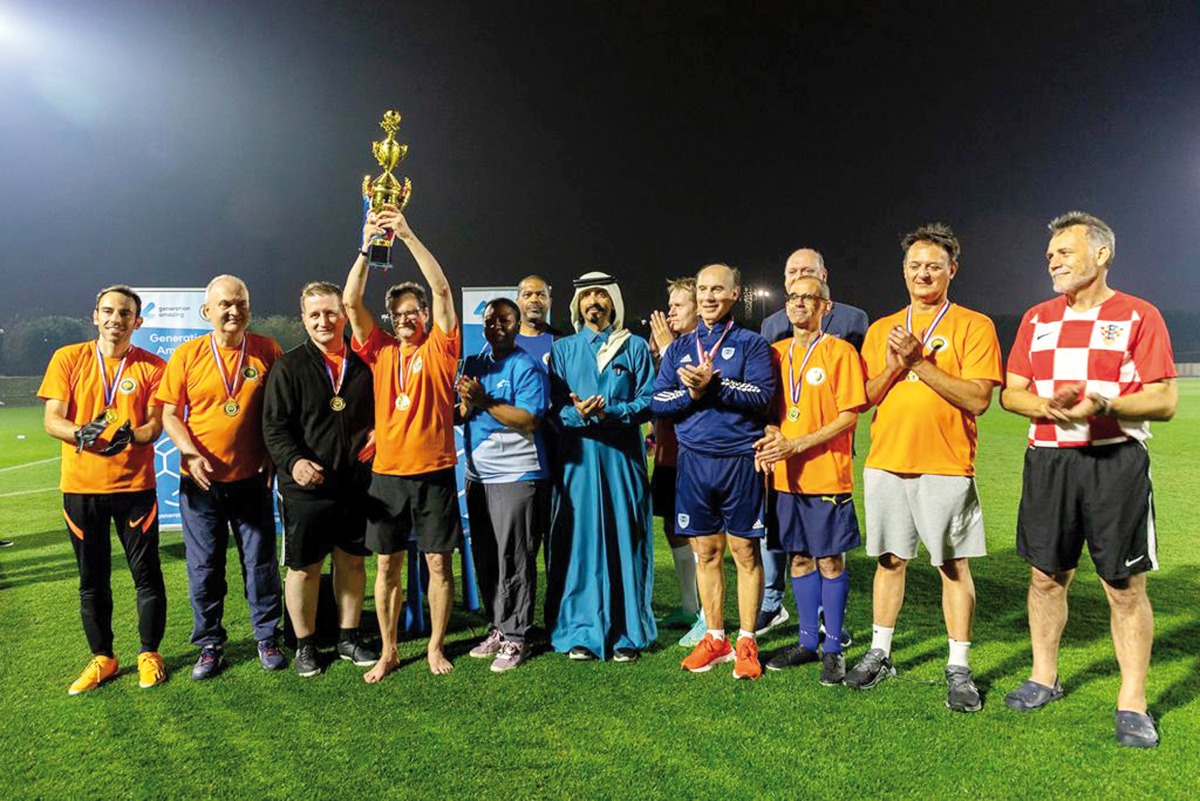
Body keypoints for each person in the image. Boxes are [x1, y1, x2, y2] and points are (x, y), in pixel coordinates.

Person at [1000, 211, 1177, 748]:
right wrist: (1043, 407)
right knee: (1045, 577)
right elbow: (1012, 392)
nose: (1052, 259)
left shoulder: (1138, 315)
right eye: (1050, 253)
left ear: (1101, 254)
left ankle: (1132, 701)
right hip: (1049, 462)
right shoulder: (1035, 319)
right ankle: (1043, 677)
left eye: (1064, 251)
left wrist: (1107, 403)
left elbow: (1164, 400)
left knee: (1122, 588)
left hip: (1113, 462)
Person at [844, 223, 1001, 713]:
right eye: (914, 265)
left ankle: (958, 665)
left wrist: (920, 363)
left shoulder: (974, 325)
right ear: (904, 271)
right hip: (887, 462)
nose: (923, 272)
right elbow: (865, 398)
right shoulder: (880, 329)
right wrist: (896, 363)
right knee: (890, 560)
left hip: (946, 464)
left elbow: (978, 398)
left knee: (952, 565)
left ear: (952, 270)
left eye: (934, 265)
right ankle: (881, 652)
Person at [344, 205, 461, 680]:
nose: (407, 318)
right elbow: (351, 303)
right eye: (399, 313)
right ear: (391, 320)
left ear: (426, 316)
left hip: (434, 471)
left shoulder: (442, 347)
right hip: (387, 474)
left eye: (415, 312)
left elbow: (441, 288)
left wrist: (407, 234)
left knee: (437, 563)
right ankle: (390, 649)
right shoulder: (381, 351)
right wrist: (367, 247)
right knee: (387, 567)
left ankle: (434, 647)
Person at [39, 285, 168, 694]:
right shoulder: (68, 358)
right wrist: (84, 434)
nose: (116, 319)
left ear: (138, 321)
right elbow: (52, 420)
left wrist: (131, 436)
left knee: (146, 575)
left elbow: (154, 425)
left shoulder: (153, 366)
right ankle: (103, 658)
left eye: (125, 313)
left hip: (134, 487)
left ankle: (149, 653)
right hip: (81, 489)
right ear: (95, 316)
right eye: (108, 311)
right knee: (91, 579)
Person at [652, 263, 776, 680]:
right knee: (706, 553)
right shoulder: (679, 348)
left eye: (717, 289)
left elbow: (761, 396)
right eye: (702, 289)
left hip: (739, 461)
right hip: (694, 463)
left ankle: (746, 640)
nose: (707, 297)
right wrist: (692, 392)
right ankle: (716, 636)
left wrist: (715, 386)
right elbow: (659, 402)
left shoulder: (752, 344)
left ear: (735, 294)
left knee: (744, 552)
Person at [159, 275, 285, 680]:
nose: (234, 311)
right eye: (225, 304)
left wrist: (270, 451)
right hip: (201, 482)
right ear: (207, 311)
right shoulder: (187, 355)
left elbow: (281, 411)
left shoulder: (268, 350)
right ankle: (210, 644)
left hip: (252, 479)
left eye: (241, 304)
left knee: (260, 563)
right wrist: (189, 451)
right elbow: (170, 413)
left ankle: (267, 636)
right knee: (204, 568)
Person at [262, 281, 379, 678]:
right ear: (303, 320)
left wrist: (381, 431)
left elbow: (384, 413)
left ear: (344, 315)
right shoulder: (289, 366)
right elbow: (275, 427)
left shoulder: (364, 366)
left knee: (352, 562)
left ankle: (349, 638)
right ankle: (306, 645)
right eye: (314, 314)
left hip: (354, 484)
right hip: (305, 488)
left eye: (330, 312)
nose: (323, 321)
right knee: (304, 567)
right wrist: (294, 463)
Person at [754, 275, 866, 685]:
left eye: (809, 297)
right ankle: (806, 641)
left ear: (825, 306)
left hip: (826, 477)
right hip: (784, 478)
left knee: (830, 561)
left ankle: (834, 648)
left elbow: (849, 415)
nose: (800, 303)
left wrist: (797, 445)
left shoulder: (841, 353)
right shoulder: (773, 354)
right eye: (794, 297)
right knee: (798, 559)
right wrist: (771, 437)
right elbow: (766, 414)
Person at [546, 271, 656, 661]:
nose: (594, 301)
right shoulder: (562, 350)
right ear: (577, 304)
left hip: (622, 459)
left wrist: (613, 413)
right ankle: (580, 629)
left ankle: (627, 633)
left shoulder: (635, 347)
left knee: (626, 538)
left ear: (613, 301)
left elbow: (649, 401)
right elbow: (552, 408)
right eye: (587, 296)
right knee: (580, 544)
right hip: (576, 462)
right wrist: (577, 415)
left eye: (601, 295)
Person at [458, 297, 551, 672]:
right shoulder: (474, 361)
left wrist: (484, 400)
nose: (496, 325)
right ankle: (498, 626)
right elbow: (464, 413)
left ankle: (516, 636)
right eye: (490, 320)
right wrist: (466, 403)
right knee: (486, 555)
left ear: (516, 325)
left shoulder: (525, 365)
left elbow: (529, 420)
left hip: (516, 474)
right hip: (478, 474)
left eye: (505, 320)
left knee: (514, 556)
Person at [646, 277, 703, 645]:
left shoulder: (703, 346)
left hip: (694, 458)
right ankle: (687, 604)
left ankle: (706, 615)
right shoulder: (672, 345)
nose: (670, 312)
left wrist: (668, 352)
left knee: (699, 536)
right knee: (673, 528)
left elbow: (693, 395)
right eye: (670, 304)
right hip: (667, 453)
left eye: (679, 305)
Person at [515, 274, 564, 371]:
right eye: (527, 295)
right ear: (517, 302)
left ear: (549, 302)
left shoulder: (562, 343)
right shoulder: (501, 342)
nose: (534, 300)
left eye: (541, 295)